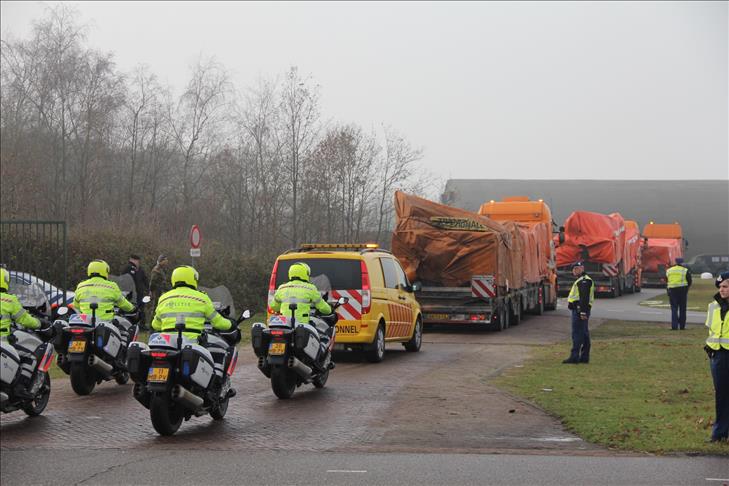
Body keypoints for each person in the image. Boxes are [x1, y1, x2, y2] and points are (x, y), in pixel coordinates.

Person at [151, 265, 233, 338]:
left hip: (169, 344)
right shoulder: (202, 298)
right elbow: (218, 323)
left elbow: (155, 325)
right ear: (192, 279)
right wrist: (231, 324)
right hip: (193, 343)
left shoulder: (163, 298)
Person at [704, 271, 729, 443]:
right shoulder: (713, 306)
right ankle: (720, 432)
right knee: (721, 394)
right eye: (720, 287)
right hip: (718, 355)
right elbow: (712, 330)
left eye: (725, 286)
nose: (722, 289)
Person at [563, 261, 594, 364]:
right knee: (584, 333)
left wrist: (582, 312)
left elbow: (584, 298)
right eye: (574, 269)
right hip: (580, 310)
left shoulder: (584, 281)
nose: (575, 271)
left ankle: (574, 356)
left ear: (582, 269)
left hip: (579, 310)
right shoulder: (582, 280)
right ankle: (584, 357)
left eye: (577, 268)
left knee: (577, 334)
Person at [121, 254, 149, 325]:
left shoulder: (139, 269)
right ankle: (132, 323)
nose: (138, 263)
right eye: (138, 261)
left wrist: (148, 289)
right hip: (132, 294)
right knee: (133, 309)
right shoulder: (128, 268)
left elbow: (145, 280)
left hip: (139, 293)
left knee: (140, 308)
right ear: (133, 260)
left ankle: (142, 324)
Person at [666, 257, 692, 330]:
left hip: (672, 290)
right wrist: (687, 288)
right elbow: (689, 281)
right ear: (682, 263)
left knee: (674, 308)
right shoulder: (685, 270)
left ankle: (674, 326)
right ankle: (682, 326)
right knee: (682, 309)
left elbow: (667, 280)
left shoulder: (669, 270)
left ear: (675, 262)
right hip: (682, 290)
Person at [148, 254, 171, 328]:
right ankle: (151, 326)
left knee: (159, 307)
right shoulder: (156, 270)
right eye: (165, 260)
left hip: (161, 291)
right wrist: (151, 291)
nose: (167, 261)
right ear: (161, 261)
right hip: (157, 292)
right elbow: (152, 282)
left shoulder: (162, 269)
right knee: (155, 308)